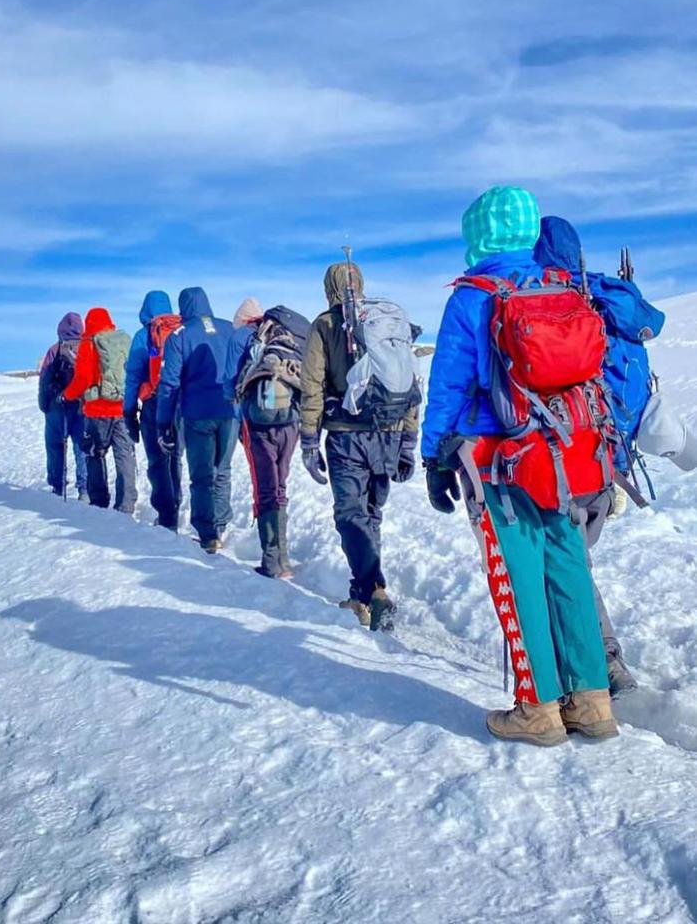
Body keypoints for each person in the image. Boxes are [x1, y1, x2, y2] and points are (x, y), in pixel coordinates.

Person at [422, 185, 617, 746]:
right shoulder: (559, 286)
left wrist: (437, 457)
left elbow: (449, 387)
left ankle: (538, 710)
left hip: (500, 459)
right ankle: (592, 703)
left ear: (478, 233)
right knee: (569, 566)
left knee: (520, 575)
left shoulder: (472, 296)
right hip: (566, 454)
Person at [534, 215, 666, 696]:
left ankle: (597, 673)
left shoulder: (549, 304)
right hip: (609, 463)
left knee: (564, 572)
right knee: (574, 568)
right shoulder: (609, 303)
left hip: (563, 464)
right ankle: (597, 669)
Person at [299, 260, 419, 631]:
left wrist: (308, 440)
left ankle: (374, 590)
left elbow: (313, 385)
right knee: (370, 515)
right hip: (390, 432)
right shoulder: (389, 322)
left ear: (327, 288)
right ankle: (363, 594)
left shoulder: (324, 325)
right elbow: (412, 381)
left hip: (346, 435)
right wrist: (408, 441)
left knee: (350, 514)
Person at [225, 298, 310, 578]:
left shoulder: (243, 337)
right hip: (290, 420)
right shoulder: (287, 336)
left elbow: (230, 382)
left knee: (264, 487)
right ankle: (282, 559)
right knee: (280, 485)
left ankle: (272, 560)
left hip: (258, 421)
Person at [157, 287, 236, 553]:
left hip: (197, 413)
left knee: (202, 475)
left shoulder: (179, 336)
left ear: (184, 308)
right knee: (222, 470)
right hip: (230, 412)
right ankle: (221, 523)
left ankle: (208, 533)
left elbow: (169, 383)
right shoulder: (229, 329)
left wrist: (163, 421)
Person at [64, 307, 136, 513]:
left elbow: (82, 379)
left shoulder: (88, 344)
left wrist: (67, 395)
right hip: (121, 408)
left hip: (96, 412)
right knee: (124, 456)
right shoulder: (122, 341)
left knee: (95, 454)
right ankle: (126, 504)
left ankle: (99, 500)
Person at [123, 291, 183, 530]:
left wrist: (128, 412)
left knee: (157, 461)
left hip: (154, 404)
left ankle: (166, 516)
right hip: (180, 402)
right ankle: (176, 507)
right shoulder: (181, 330)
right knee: (175, 457)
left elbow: (132, 378)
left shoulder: (143, 336)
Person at [38, 312, 88, 501]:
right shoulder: (86, 348)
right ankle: (84, 488)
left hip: (57, 406)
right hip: (80, 404)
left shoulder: (55, 350)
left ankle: (58, 486)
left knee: (55, 445)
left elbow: (44, 378)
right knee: (81, 446)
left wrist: (43, 402)